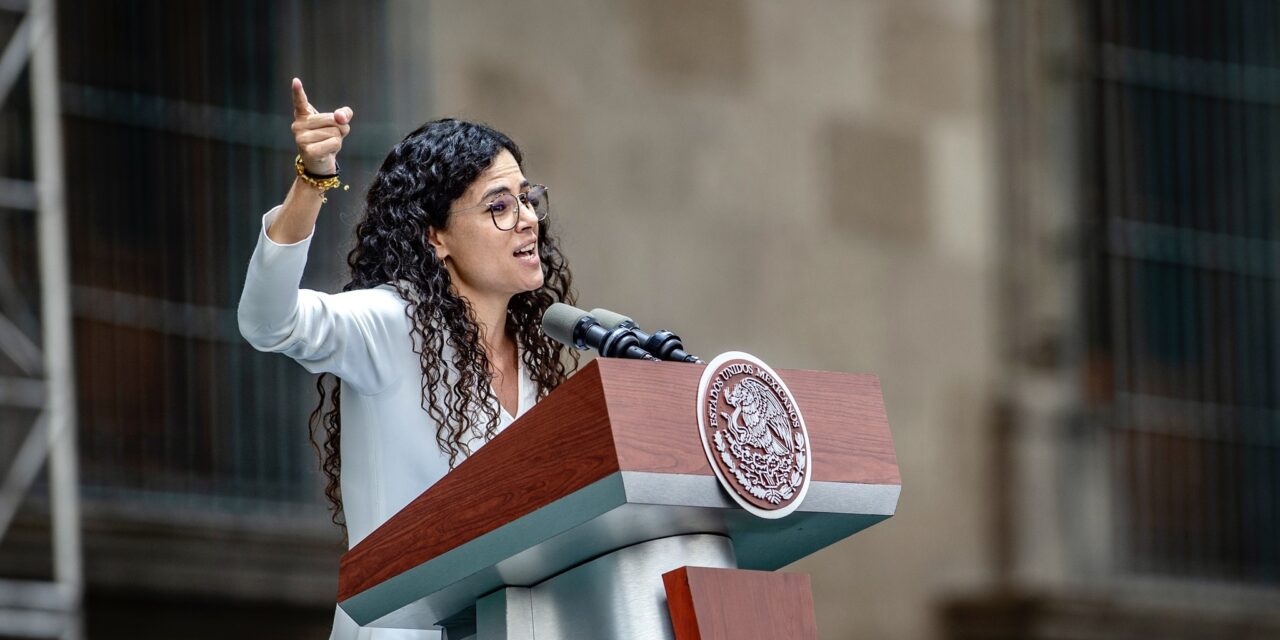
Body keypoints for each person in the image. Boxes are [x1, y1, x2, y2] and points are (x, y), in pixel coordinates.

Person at [237, 78, 578, 640]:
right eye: (498, 206)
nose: (526, 218)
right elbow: (268, 321)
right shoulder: (390, 324)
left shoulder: (534, 356)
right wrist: (312, 181)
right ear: (436, 238)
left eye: (526, 198)